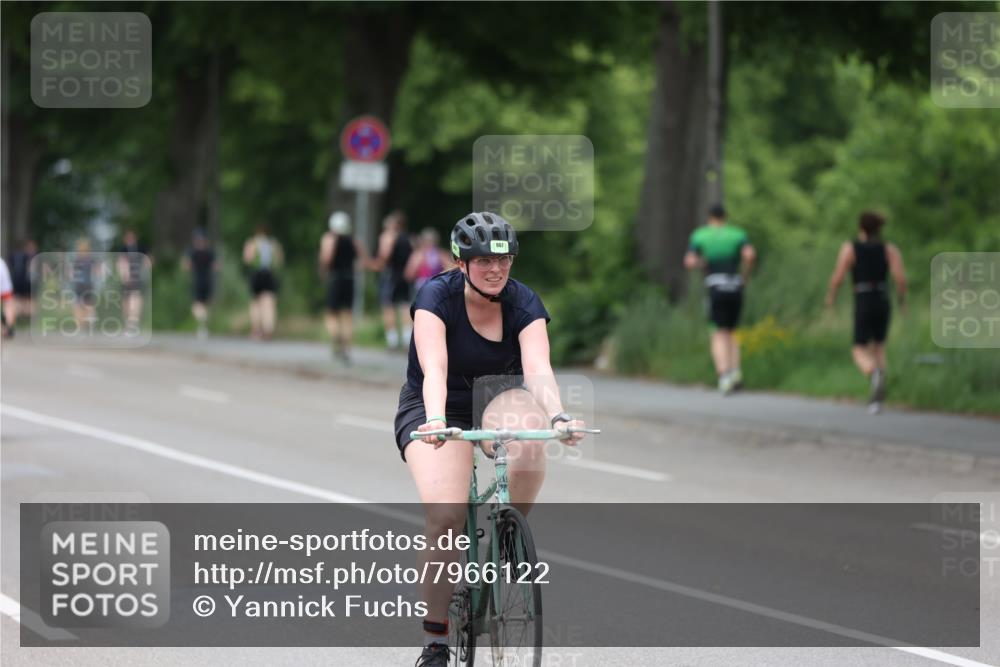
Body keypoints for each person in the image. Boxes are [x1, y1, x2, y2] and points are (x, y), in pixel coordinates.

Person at [394, 212, 587, 666]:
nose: (495, 269)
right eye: (482, 260)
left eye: (503, 259)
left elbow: (538, 369)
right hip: (435, 404)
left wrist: (558, 415)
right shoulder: (434, 297)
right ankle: (436, 641)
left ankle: (508, 533)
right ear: (461, 262)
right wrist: (438, 421)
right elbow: (434, 369)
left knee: (530, 442)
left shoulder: (523, 303)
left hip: (497, 396)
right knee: (446, 515)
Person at [825, 211, 907, 414]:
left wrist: (831, 296)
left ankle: (873, 374)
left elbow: (839, 276)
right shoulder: (889, 249)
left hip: (863, 297)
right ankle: (878, 398)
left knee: (859, 349)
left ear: (861, 227)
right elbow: (900, 279)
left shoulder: (851, 247)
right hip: (882, 297)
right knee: (879, 346)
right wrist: (902, 302)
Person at [684, 204, 756, 394]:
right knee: (732, 331)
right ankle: (735, 372)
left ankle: (723, 375)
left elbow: (690, 261)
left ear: (709, 217)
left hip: (715, 285)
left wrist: (702, 263)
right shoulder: (737, 234)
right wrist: (745, 277)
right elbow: (749, 255)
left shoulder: (700, 235)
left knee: (717, 332)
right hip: (735, 285)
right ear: (725, 217)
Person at [318, 211, 372, 363]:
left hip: (335, 278)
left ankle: (336, 338)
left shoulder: (329, 238)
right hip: (350, 279)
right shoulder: (354, 240)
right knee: (347, 315)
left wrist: (323, 269)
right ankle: (346, 347)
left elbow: (326, 258)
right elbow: (364, 259)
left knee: (331, 313)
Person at [374, 210, 413, 350]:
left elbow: (385, 256)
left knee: (388, 307)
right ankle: (407, 340)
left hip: (391, 275)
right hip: (406, 276)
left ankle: (392, 341)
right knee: (405, 306)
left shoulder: (388, 236)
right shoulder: (409, 238)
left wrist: (376, 264)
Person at [242, 224, 284, 340]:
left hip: (256, 273)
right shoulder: (273, 243)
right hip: (269, 273)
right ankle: (268, 328)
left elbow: (247, 259)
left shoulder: (252, 243)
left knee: (256, 303)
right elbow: (279, 260)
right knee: (269, 302)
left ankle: (256, 329)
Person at [182, 229, 218, 339]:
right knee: (205, 305)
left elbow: (185, 265)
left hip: (197, 280)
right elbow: (216, 266)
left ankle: (202, 323)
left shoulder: (192, 252)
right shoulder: (210, 252)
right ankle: (203, 327)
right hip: (208, 280)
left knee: (196, 306)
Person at [116, 229, 149, 329]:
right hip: (126, 278)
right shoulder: (123, 249)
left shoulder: (141, 248)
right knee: (126, 300)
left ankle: (134, 319)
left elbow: (148, 260)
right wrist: (125, 276)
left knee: (136, 297)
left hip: (138, 277)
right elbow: (120, 263)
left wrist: (144, 270)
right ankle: (128, 320)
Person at [404, 227, 453, 293]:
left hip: (422, 288)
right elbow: (452, 272)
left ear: (423, 241)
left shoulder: (418, 255)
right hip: (439, 287)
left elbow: (409, 275)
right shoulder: (442, 254)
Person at [10, 238, 38, 322]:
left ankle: (22, 318)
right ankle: (28, 319)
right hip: (25, 282)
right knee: (26, 300)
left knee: (21, 300)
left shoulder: (16, 256)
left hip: (19, 281)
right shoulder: (30, 257)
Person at [0, 257, 15, 339]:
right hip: (2, 268)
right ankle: (9, 328)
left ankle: (3, 329)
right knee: (8, 303)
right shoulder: (2, 262)